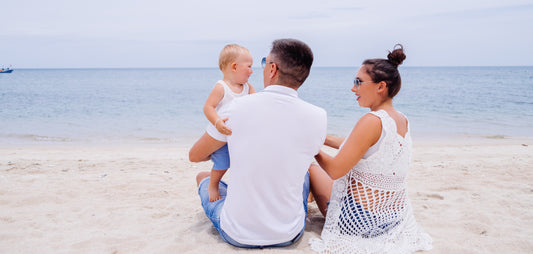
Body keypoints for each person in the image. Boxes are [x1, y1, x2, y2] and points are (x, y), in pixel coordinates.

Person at [192, 39, 327, 248]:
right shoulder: (319, 117)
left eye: (264, 62)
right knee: (305, 172)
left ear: (272, 69)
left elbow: (195, 156)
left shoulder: (234, 108)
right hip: (289, 233)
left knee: (203, 176)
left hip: (237, 233)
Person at [308, 44, 433, 253]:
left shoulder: (371, 120)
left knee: (312, 168)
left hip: (359, 221)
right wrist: (321, 138)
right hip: (391, 218)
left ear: (380, 86)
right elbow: (357, 145)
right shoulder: (400, 119)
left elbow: (335, 170)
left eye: (358, 82)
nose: (353, 88)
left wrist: (312, 147)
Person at [189, 44, 256, 202]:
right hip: (221, 134)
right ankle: (213, 184)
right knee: (223, 162)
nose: (252, 71)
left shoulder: (247, 87)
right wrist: (217, 121)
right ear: (234, 66)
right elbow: (208, 107)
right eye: (249, 67)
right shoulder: (222, 87)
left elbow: (257, 103)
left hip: (237, 136)